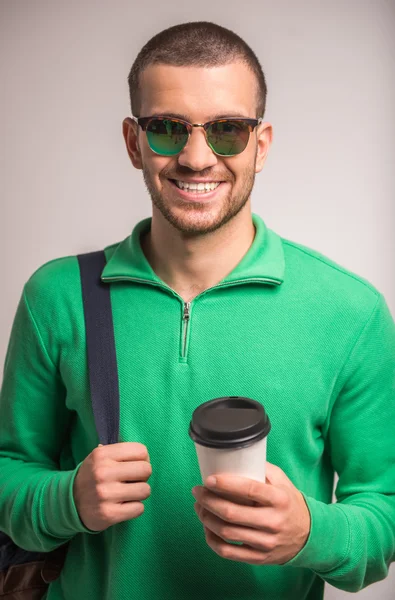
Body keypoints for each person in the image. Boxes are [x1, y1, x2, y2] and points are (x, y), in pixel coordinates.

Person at [0, 20, 394, 600]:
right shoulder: (55, 297)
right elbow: (9, 469)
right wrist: (67, 500)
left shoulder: (351, 313)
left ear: (261, 145)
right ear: (134, 141)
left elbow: (383, 517)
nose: (195, 156)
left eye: (228, 129)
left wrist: (312, 532)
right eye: (166, 128)